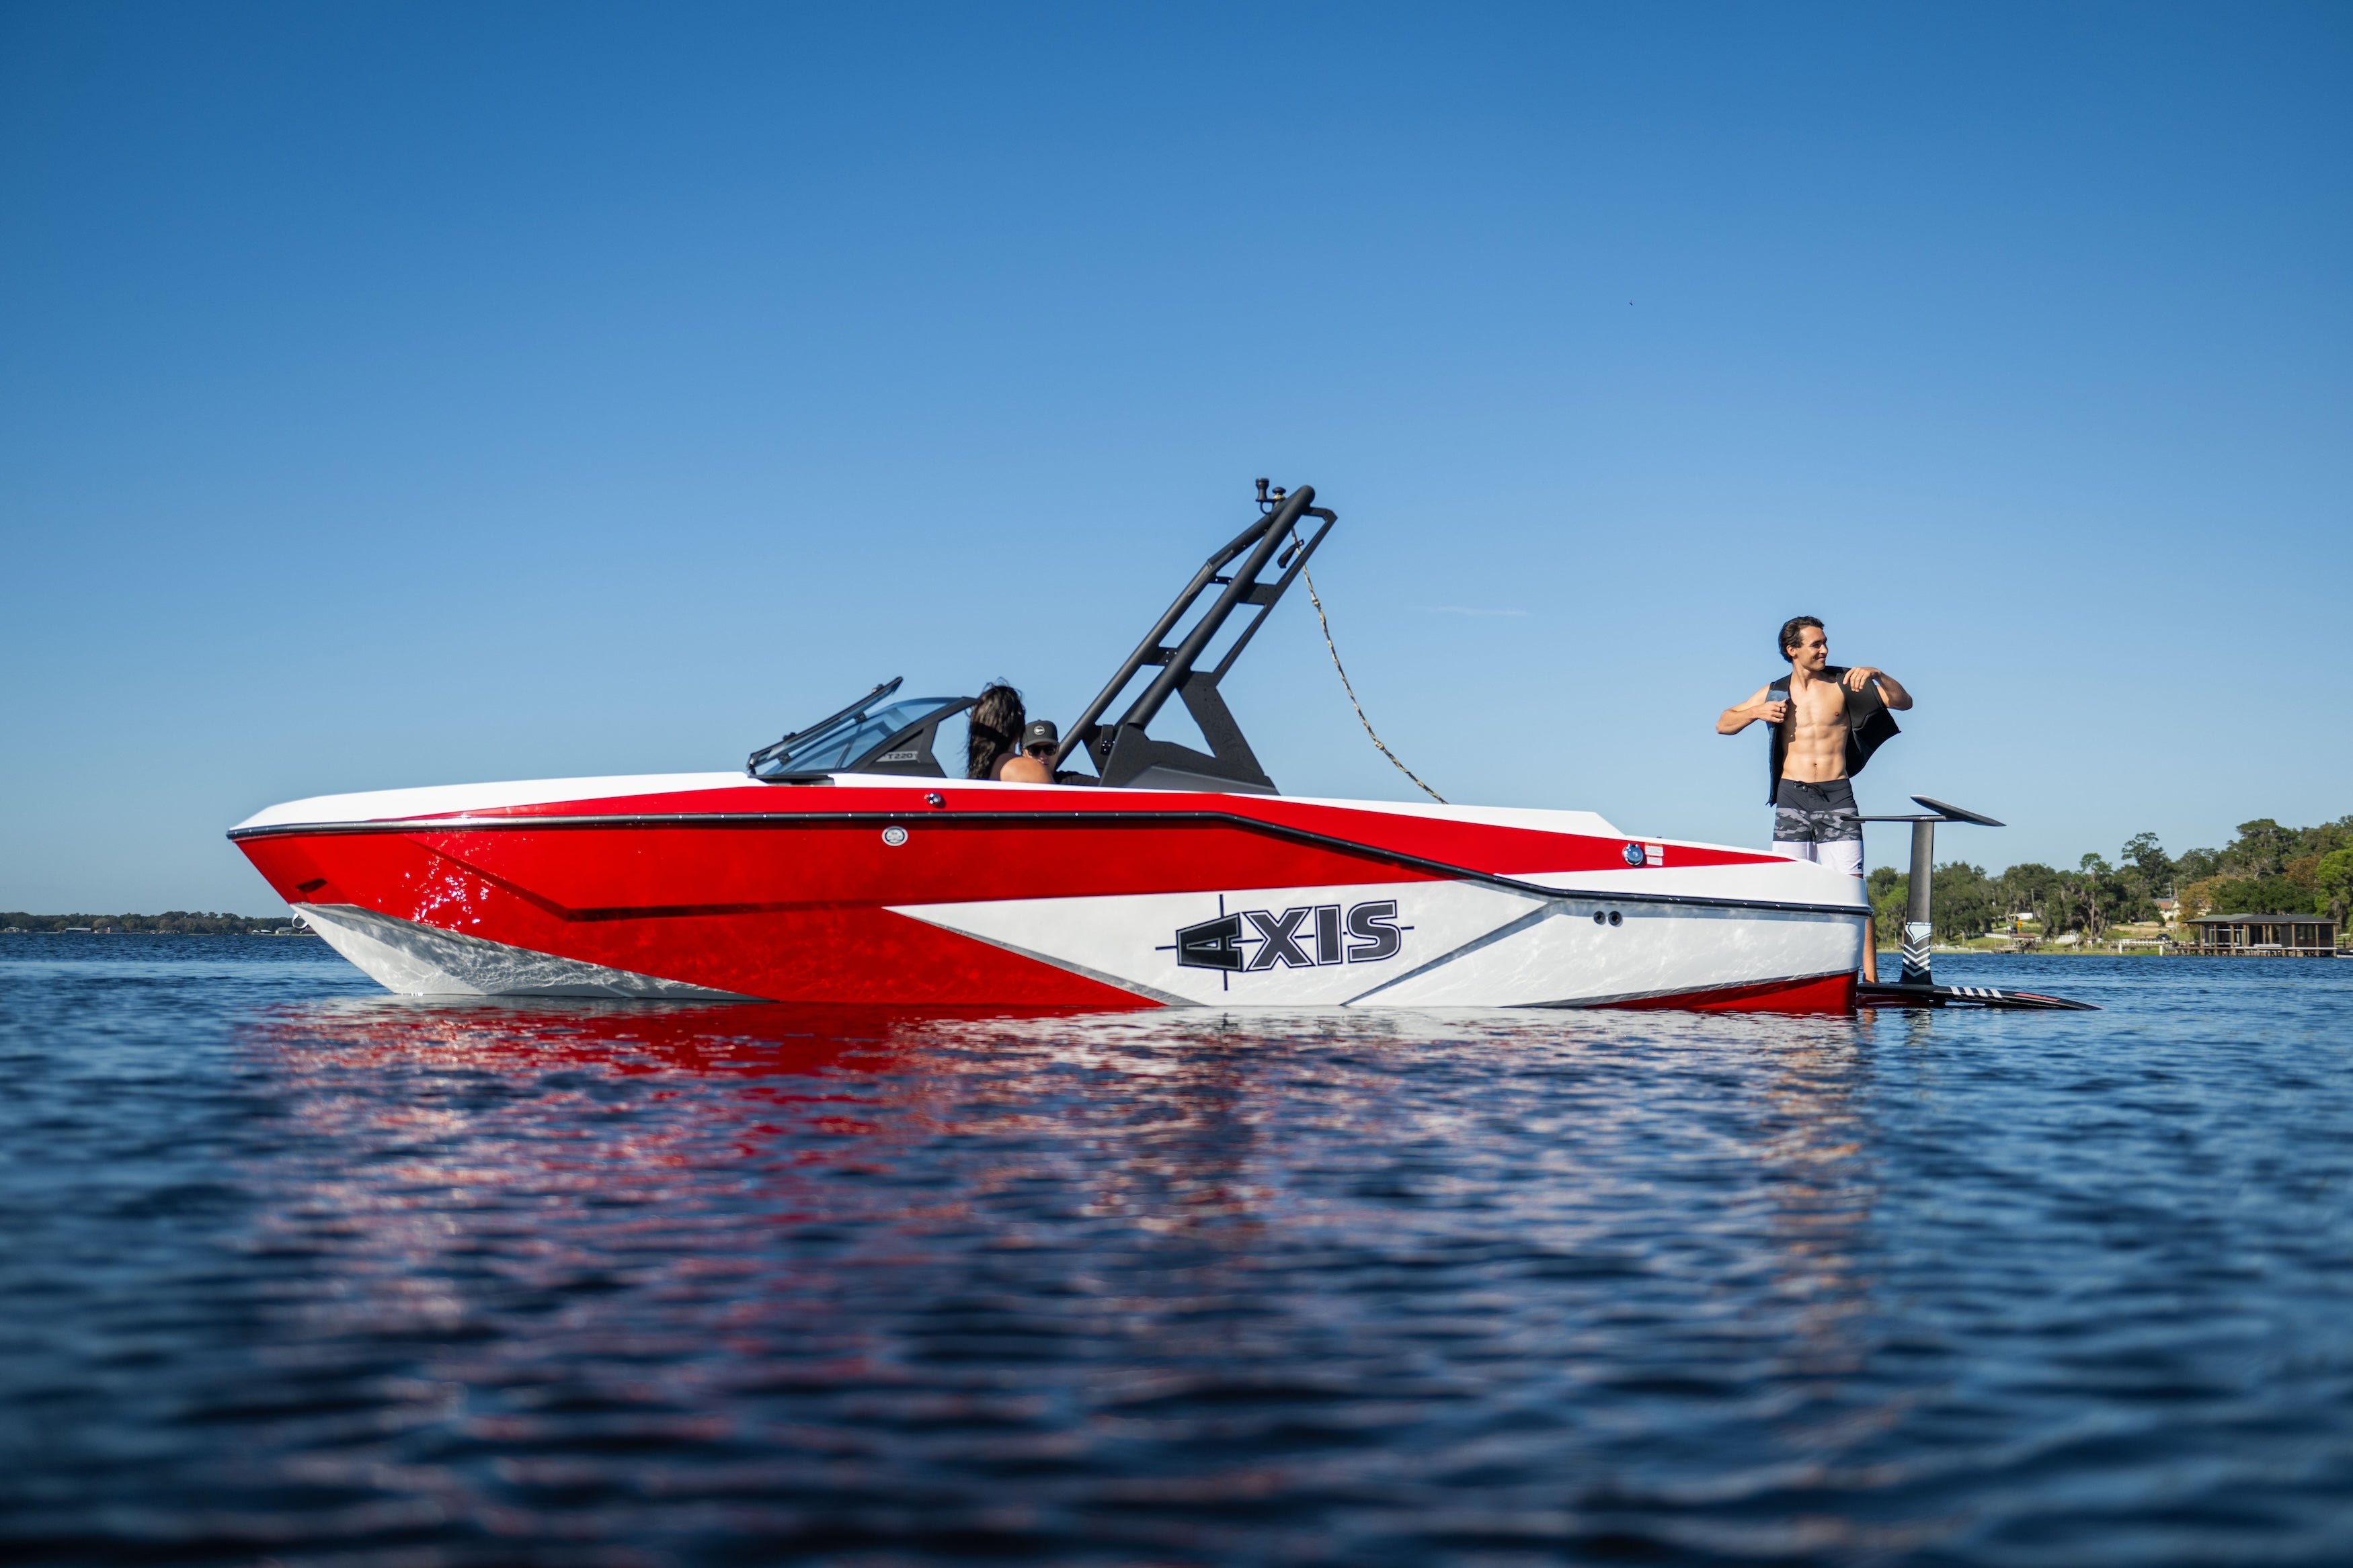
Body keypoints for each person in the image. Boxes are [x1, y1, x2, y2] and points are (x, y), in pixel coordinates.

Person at [1716, 616, 1913, 983]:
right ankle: (1793, 974)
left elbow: (1905, 703)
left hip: (1837, 795)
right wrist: (1755, 713)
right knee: (1790, 890)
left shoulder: (1845, 681)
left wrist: (1878, 675)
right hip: (1792, 796)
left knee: (1852, 889)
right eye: (1815, 644)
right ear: (1793, 651)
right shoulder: (1775, 691)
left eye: (1825, 642)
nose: (1824, 649)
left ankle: (1868, 981)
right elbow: (1723, 722)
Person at [965, 685, 1061, 784]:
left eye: (1049, 749)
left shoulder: (971, 779)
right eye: (1034, 750)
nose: (1042, 755)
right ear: (1018, 731)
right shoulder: (1029, 770)